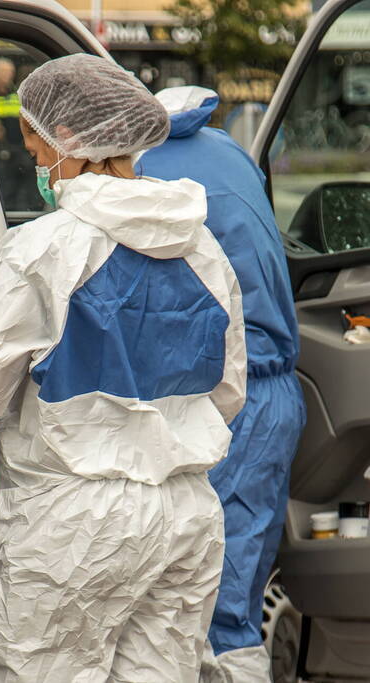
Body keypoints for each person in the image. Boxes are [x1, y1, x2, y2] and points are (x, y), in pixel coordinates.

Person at [0, 54, 247, 682]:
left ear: (71, 143)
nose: (34, 162)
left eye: (35, 146)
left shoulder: (45, 246)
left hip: (74, 526)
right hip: (185, 512)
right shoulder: (204, 247)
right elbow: (227, 391)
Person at [136, 86, 305, 682]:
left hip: (223, 401)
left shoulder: (139, 169)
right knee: (232, 594)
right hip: (270, 393)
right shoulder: (223, 149)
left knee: (206, 611)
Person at [0, 57, 39, 210]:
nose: (7, 75)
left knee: (25, 196)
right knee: (4, 196)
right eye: (3, 72)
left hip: (19, 152)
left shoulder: (16, 94)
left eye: (10, 72)